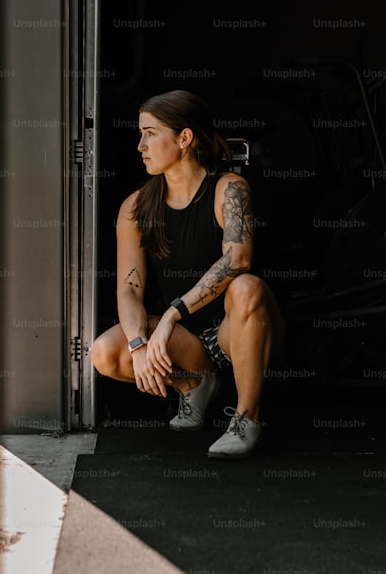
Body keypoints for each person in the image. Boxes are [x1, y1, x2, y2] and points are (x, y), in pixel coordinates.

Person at [90, 89, 284, 459]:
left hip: (238, 330)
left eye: (150, 133)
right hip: (187, 344)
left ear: (184, 138)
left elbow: (237, 260)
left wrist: (170, 316)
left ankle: (247, 418)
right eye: (140, 134)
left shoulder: (229, 188)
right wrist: (138, 343)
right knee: (106, 353)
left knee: (246, 287)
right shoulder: (135, 206)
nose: (140, 145)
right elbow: (129, 290)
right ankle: (193, 385)